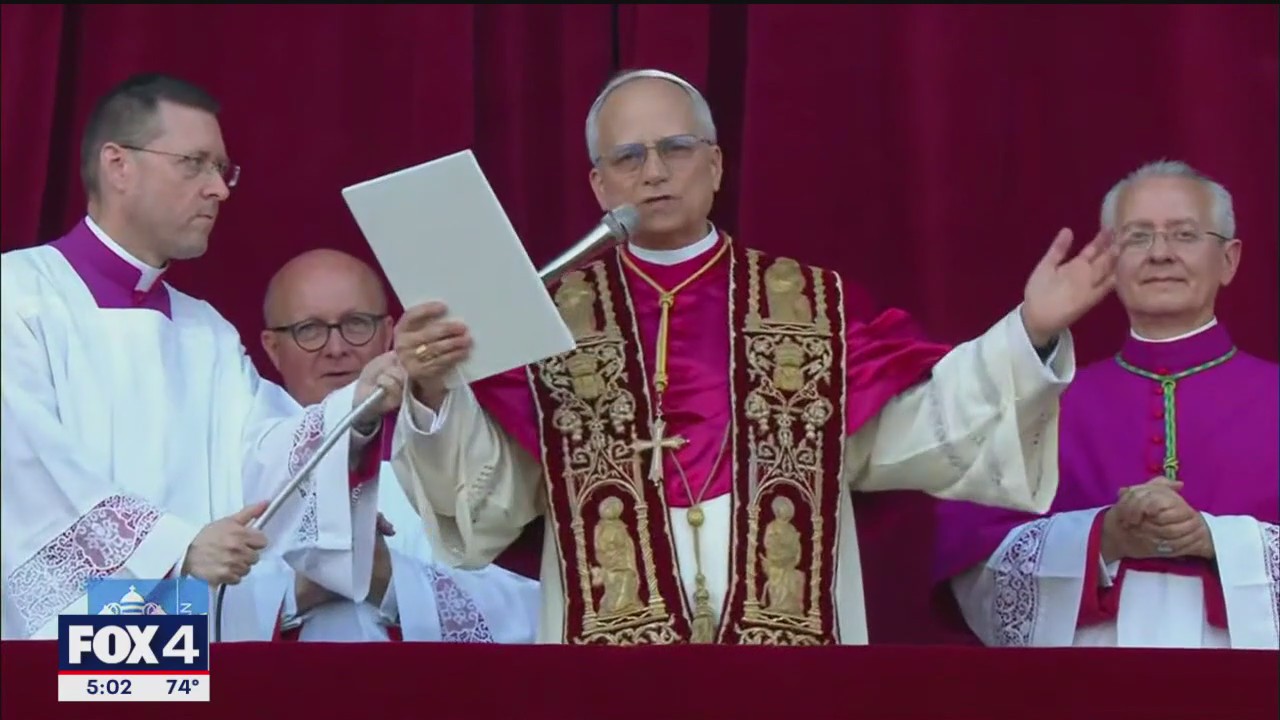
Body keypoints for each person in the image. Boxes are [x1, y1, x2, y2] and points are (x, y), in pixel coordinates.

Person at [386, 69, 1117, 645]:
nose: (654, 173)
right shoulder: (548, 317)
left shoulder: (811, 305)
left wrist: (1029, 332)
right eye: (628, 157)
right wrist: (430, 390)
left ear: (715, 165)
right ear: (598, 184)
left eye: (676, 149)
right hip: (607, 660)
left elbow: (926, 428)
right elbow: (490, 497)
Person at [0, 73, 403, 641]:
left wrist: (351, 416)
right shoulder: (17, 296)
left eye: (222, 169)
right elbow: (27, 471)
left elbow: (261, 450)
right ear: (119, 166)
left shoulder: (204, 329)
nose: (219, 189)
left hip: (197, 641)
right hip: (68, 645)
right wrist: (177, 547)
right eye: (194, 163)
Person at [932, 160, 1279, 649]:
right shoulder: (1043, 405)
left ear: (1228, 260)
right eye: (1137, 237)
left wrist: (1215, 540)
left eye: (1184, 234)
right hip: (1087, 680)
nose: (1160, 254)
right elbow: (977, 565)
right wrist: (1103, 537)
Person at [257, 248, 540, 643]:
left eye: (356, 324)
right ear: (272, 347)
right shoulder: (238, 448)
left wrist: (387, 578)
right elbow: (146, 661)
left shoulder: (447, 442)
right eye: (310, 330)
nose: (336, 348)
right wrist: (295, 592)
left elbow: (538, 614)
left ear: (389, 332)